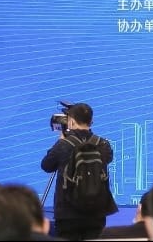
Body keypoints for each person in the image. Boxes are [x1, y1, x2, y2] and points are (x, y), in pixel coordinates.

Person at [39, 102, 118, 240]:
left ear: (71, 121)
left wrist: (61, 140)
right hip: (97, 212)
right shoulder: (103, 144)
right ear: (91, 121)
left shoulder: (64, 144)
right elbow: (108, 159)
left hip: (67, 213)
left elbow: (46, 166)